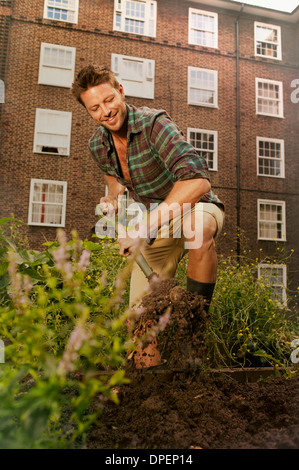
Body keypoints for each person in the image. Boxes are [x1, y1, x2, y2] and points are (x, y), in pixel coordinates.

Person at [71, 65, 225, 367]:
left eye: (109, 100)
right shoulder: (97, 145)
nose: (106, 111)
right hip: (156, 225)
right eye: (95, 108)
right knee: (141, 327)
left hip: (194, 207)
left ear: (121, 92)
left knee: (197, 229)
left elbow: (198, 180)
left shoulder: (155, 124)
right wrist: (112, 202)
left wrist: (142, 228)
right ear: (88, 112)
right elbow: (114, 183)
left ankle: (192, 328)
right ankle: (151, 389)